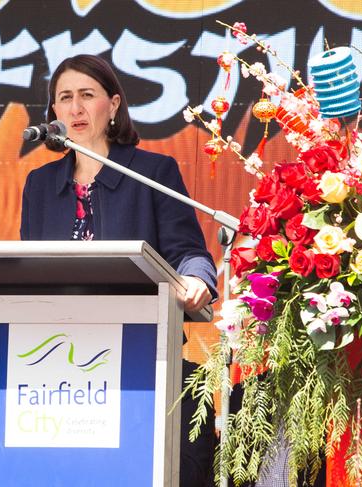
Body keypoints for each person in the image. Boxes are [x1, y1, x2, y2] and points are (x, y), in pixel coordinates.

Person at [20, 54, 218, 486]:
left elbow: (189, 253)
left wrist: (198, 279)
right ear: (52, 112)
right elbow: (26, 276)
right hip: (56, 377)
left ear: (112, 105)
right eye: (65, 98)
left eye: (87, 96)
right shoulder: (39, 185)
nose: (75, 109)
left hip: (146, 361)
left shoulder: (152, 173)